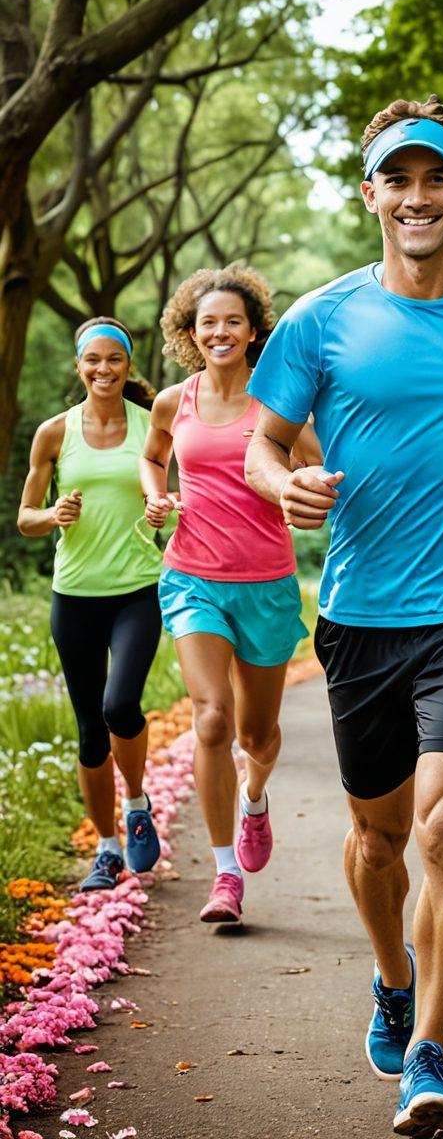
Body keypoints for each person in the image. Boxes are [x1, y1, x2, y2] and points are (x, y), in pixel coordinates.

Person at [245, 96, 443, 1137]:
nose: (417, 197)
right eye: (399, 179)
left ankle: (428, 1055)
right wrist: (283, 486)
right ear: (370, 194)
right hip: (360, 613)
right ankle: (392, 978)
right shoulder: (320, 319)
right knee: (379, 839)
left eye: (436, 178)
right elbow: (262, 442)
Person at [141, 264, 309, 925]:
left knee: (256, 735)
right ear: (190, 332)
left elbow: (318, 465)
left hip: (266, 584)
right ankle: (225, 875)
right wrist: (157, 496)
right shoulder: (172, 402)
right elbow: (153, 456)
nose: (219, 332)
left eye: (232, 321)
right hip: (193, 578)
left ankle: (254, 796)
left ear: (253, 330)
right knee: (211, 719)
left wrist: (305, 491)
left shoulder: (278, 404)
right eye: (207, 322)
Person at [18, 318, 163, 891]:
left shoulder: (152, 427)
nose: (104, 369)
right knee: (90, 734)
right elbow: (26, 518)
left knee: (120, 706)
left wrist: (163, 511)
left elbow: (173, 500)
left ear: (128, 365)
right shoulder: (54, 433)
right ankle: (106, 850)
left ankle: (137, 803)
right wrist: (52, 515)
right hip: (73, 595)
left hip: (137, 590)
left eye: (114, 359)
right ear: (78, 366)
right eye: (93, 360)